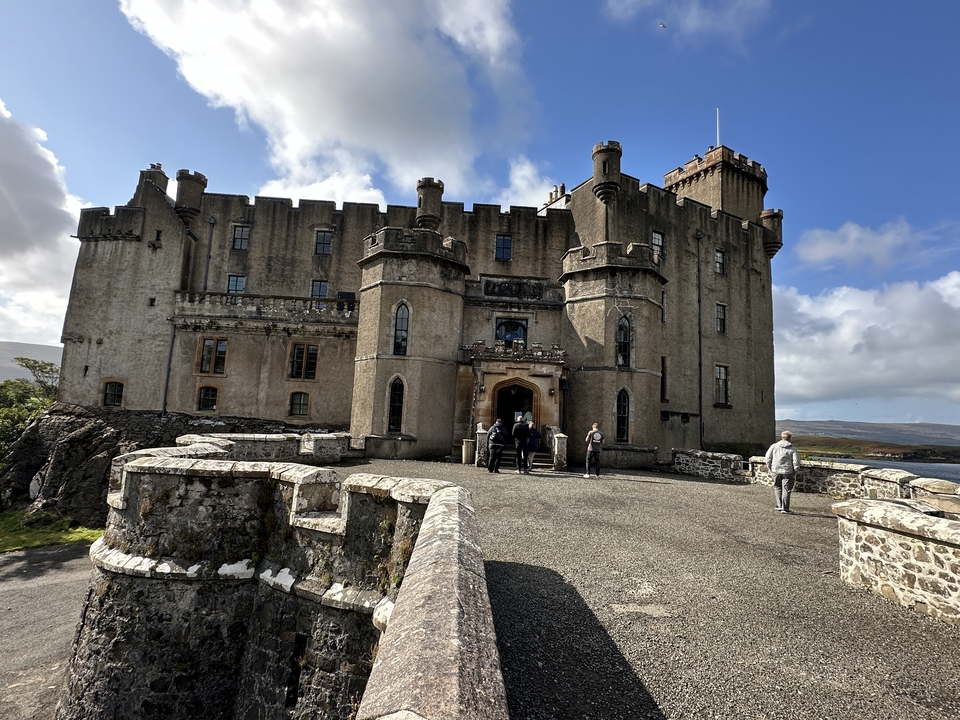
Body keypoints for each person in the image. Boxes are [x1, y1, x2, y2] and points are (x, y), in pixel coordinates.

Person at [765, 430, 800, 514]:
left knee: (777, 487)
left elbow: (767, 458)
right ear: (790, 438)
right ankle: (785, 508)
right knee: (786, 489)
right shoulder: (792, 449)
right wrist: (795, 471)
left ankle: (779, 505)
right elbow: (796, 462)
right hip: (787, 471)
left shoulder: (774, 446)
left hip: (775, 470)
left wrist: (770, 467)